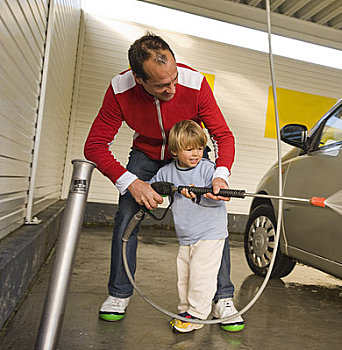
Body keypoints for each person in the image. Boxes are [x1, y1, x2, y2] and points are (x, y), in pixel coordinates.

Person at [84, 33, 244, 331]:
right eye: (161, 85)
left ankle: (222, 297)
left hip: (189, 153)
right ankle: (119, 293)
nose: (172, 88)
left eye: (174, 78)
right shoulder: (120, 88)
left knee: (211, 225)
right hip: (145, 156)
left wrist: (221, 174)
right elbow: (95, 145)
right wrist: (131, 182)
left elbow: (223, 135)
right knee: (126, 218)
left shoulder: (194, 82)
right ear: (138, 79)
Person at [149, 120, 231, 332]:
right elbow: (152, 189)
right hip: (186, 235)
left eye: (200, 148)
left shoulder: (207, 168)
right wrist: (164, 190)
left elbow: (217, 197)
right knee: (184, 275)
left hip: (210, 232)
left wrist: (203, 192)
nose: (196, 154)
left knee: (200, 275)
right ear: (175, 150)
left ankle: (196, 315)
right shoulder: (167, 172)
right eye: (189, 149)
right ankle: (186, 309)